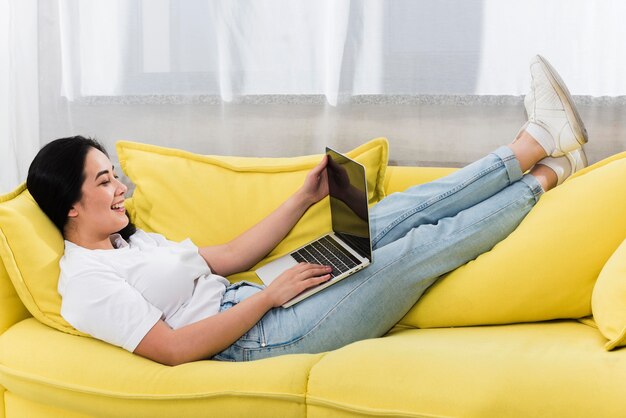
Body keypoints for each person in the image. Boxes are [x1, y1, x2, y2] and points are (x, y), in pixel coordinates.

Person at [27, 55, 588, 365]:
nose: (120, 187)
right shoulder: (87, 284)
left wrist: (303, 198)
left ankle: (536, 145)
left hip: (255, 298)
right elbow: (172, 350)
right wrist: (271, 296)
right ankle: (544, 175)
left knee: (393, 216)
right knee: (413, 250)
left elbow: (226, 257)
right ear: (70, 206)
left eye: (115, 175)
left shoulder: (130, 243)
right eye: (105, 181)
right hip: (267, 337)